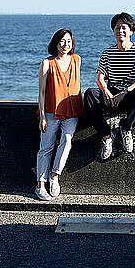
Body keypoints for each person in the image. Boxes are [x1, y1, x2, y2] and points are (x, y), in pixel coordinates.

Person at [84, 12, 135, 160]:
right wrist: (106, 91)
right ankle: (106, 135)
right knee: (90, 94)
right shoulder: (107, 53)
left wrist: (125, 92)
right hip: (113, 92)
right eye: (117, 28)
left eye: (123, 28)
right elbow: (100, 78)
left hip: (131, 93)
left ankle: (126, 128)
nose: (120, 31)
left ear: (131, 31)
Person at [35, 28, 83, 201]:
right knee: (45, 147)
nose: (66, 44)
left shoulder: (77, 60)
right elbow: (41, 91)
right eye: (62, 41)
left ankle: (54, 176)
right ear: (56, 42)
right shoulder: (47, 63)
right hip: (50, 111)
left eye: (69, 41)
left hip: (72, 110)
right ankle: (40, 183)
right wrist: (41, 115)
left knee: (67, 141)